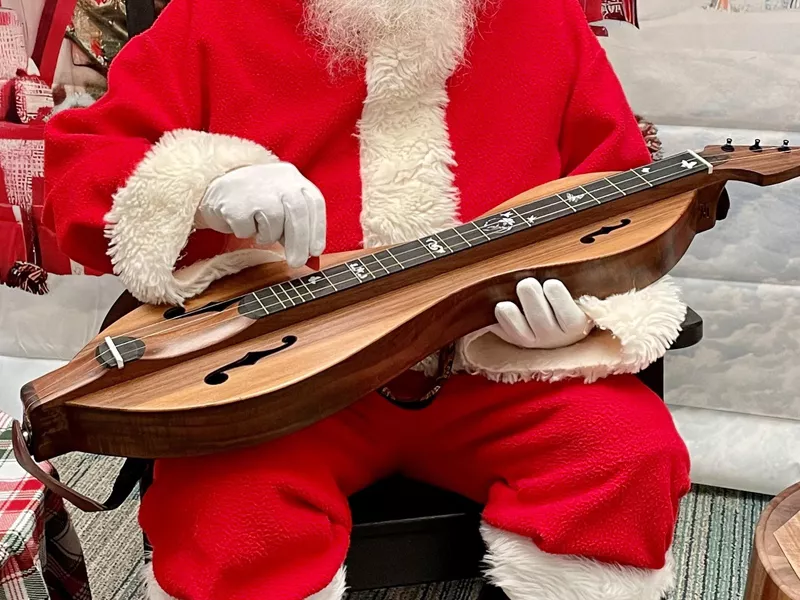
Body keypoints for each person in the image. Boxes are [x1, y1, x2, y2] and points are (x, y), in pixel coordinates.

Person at [43, 0, 691, 598]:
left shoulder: (539, 15)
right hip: (285, 379)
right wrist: (204, 186)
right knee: (227, 509)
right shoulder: (212, 14)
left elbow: (622, 192)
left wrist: (586, 311)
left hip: (493, 364)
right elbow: (81, 168)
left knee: (627, 457)